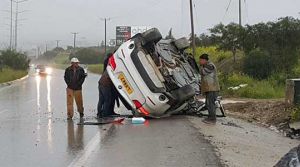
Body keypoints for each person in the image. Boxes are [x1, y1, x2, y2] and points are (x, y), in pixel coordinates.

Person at [199, 54, 220, 124]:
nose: (200, 61)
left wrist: (200, 67)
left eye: (201, 60)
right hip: (209, 88)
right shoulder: (206, 65)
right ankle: (210, 117)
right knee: (208, 103)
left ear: (205, 60)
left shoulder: (210, 66)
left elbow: (203, 72)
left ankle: (212, 119)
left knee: (210, 104)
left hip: (212, 88)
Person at [97, 53, 120, 118]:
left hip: (101, 82)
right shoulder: (114, 68)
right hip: (105, 84)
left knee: (101, 99)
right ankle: (105, 114)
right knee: (107, 99)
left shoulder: (109, 66)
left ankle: (99, 113)